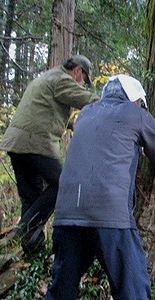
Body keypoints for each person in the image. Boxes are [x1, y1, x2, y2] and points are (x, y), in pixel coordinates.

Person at [45, 75, 155, 300]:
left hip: (67, 215)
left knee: (61, 291)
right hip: (110, 214)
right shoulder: (135, 114)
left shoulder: (85, 114)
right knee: (132, 289)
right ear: (134, 100)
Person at [0, 55, 99, 255]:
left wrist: (72, 124)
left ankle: (31, 252)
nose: (81, 83)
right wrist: (112, 102)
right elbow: (86, 99)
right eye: (83, 79)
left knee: (32, 198)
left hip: (17, 143)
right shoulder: (63, 80)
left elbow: (46, 110)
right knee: (62, 185)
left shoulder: (46, 77)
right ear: (78, 70)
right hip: (35, 142)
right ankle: (19, 234)